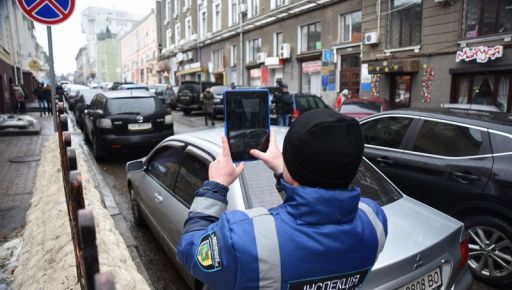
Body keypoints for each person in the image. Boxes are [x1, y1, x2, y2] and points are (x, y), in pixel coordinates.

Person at [177, 109, 388, 290]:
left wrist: (216, 186)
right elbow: (318, 213)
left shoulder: (244, 238)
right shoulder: (374, 219)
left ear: (293, 170)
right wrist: (285, 172)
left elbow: (190, 250)